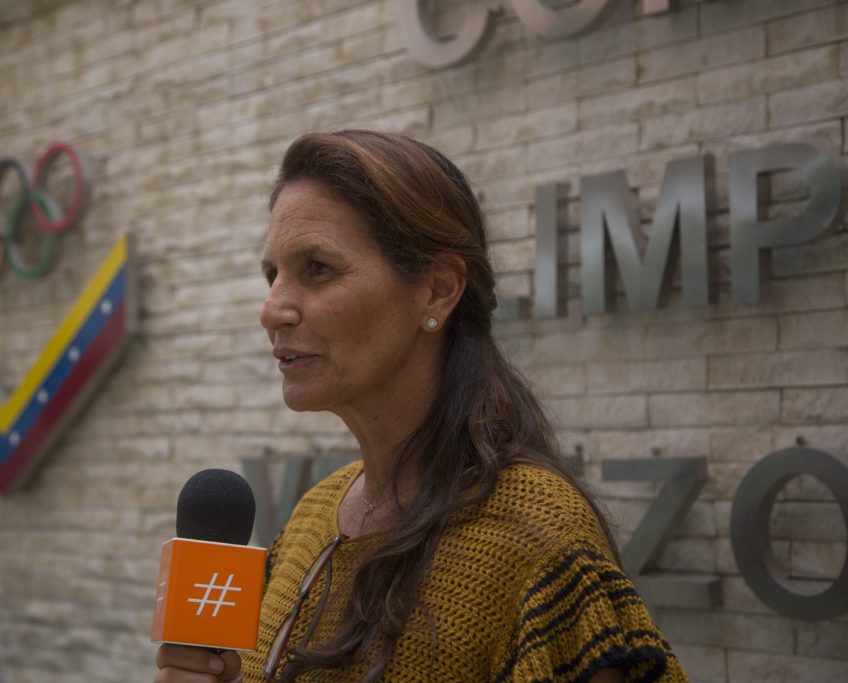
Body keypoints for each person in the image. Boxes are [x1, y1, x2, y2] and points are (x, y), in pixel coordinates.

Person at [155, 130, 689, 682]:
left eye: (317, 268)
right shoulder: (313, 517)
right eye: (273, 274)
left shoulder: (536, 537)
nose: (272, 309)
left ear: (437, 290)